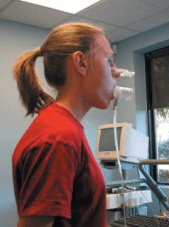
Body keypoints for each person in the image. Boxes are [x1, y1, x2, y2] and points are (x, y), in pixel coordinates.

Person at [12, 22, 120, 227]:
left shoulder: (64, 128)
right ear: (81, 62)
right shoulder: (59, 137)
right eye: (109, 60)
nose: (117, 72)